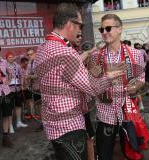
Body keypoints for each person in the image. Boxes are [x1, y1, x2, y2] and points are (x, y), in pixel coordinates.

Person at [34, 3, 124, 160]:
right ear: (69, 24)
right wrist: (109, 76)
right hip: (69, 126)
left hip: (53, 124)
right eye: (79, 25)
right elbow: (93, 87)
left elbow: (59, 74)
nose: (80, 30)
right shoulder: (65, 52)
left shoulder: (43, 47)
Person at [91, 13, 148, 160]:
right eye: (101, 30)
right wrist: (100, 76)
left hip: (127, 112)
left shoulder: (135, 54)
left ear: (119, 29)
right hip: (105, 114)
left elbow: (141, 79)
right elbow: (90, 86)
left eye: (108, 28)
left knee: (132, 153)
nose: (104, 33)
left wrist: (136, 87)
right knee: (104, 155)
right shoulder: (96, 56)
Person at [6, 52, 28, 134]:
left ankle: (18, 122)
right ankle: (10, 125)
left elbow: (21, 75)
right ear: (7, 58)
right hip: (9, 90)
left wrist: (22, 85)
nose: (11, 58)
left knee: (18, 105)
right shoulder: (4, 66)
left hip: (17, 88)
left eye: (12, 57)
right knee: (10, 108)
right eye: (9, 57)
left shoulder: (17, 66)